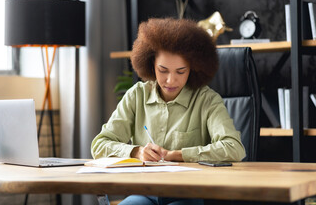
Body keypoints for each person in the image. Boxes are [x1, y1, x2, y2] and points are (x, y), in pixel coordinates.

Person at [91, 18, 245, 205]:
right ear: (150, 64)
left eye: (181, 71)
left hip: (189, 194)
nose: (171, 80)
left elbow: (234, 148)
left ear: (193, 69)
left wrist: (177, 155)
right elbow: (99, 145)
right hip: (145, 193)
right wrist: (136, 151)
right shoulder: (137, 96)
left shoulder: (207, 100)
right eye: (163, 70)